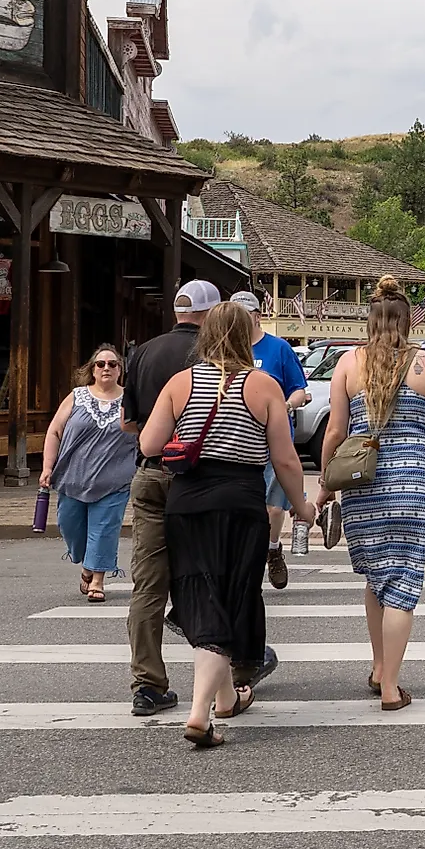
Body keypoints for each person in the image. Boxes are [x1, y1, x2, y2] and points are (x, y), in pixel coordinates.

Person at [135, 301, 310, 746]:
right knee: (231, 599)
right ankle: (200, 713)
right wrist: (301, 506)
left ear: (207, 335)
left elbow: (149, 442)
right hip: (241, 501)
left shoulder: (181, 383)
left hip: (188, 502)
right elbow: (286, 460)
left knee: (204, 594)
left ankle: (227, 699)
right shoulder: (264, 386)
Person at [317, 275, 425, 711]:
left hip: (364, 484)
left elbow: (336, 431)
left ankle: (380, 666)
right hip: (414, 484)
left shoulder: (348, 364)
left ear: (370, 321)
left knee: (378, 577)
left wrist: (324, 482)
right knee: (403, 583)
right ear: (407, 321)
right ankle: (390, 687)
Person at [120, 280, 217, 717]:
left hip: (151, 473)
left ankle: (148, 684)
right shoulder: (211, 355)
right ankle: (227, 677)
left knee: (148, 585)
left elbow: (128, 423)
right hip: (200, 477)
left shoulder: (142, 352)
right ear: (211, 313)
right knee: (212, 576)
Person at [39, 345, 134, 601]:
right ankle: (88, 565)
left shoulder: (130, 399)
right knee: (71, 527)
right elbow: (54, 432)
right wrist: (48, 467)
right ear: (92, 369)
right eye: (100, 364)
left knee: (104, 528)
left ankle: (98, 582)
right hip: (72, 478)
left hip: (114, 480)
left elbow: (144, 432)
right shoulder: (77, 396)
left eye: (112, 364)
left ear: (120, 370)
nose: (106, 368)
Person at [230, 289, 311, 588]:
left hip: (275, 439)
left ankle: (273, 549)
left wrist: (286, 405)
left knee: (273, 508)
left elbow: (299, 389)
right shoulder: (228, 350)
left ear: (256, 316)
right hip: (240, 440)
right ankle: (248, 559)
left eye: (243, 316)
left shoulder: (278, 349)